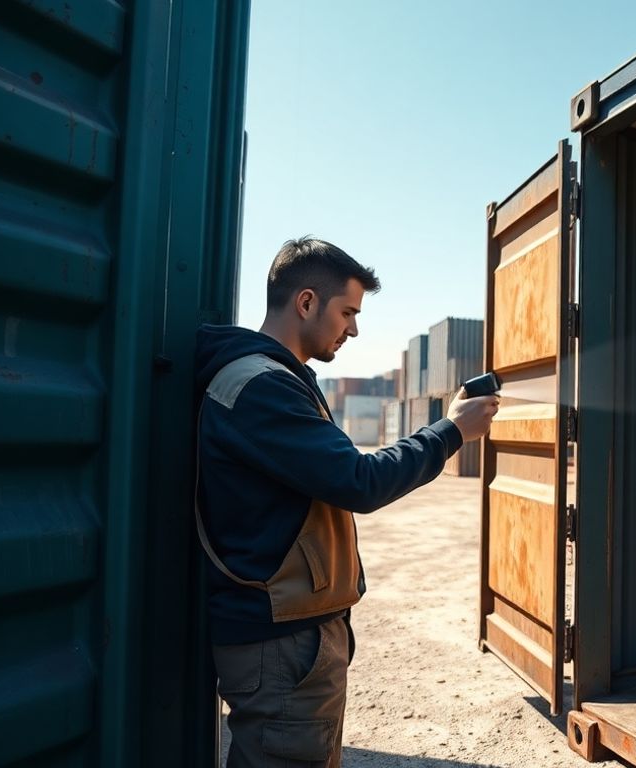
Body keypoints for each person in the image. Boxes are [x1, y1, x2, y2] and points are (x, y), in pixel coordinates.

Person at [194, 236, 498, 767]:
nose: (354, 328)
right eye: (347, 312)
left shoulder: (275, 380)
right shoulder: (261, 387)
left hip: (290, 630)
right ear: (306, 302)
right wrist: (452, 431)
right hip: (281, 639)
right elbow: (360, 479)